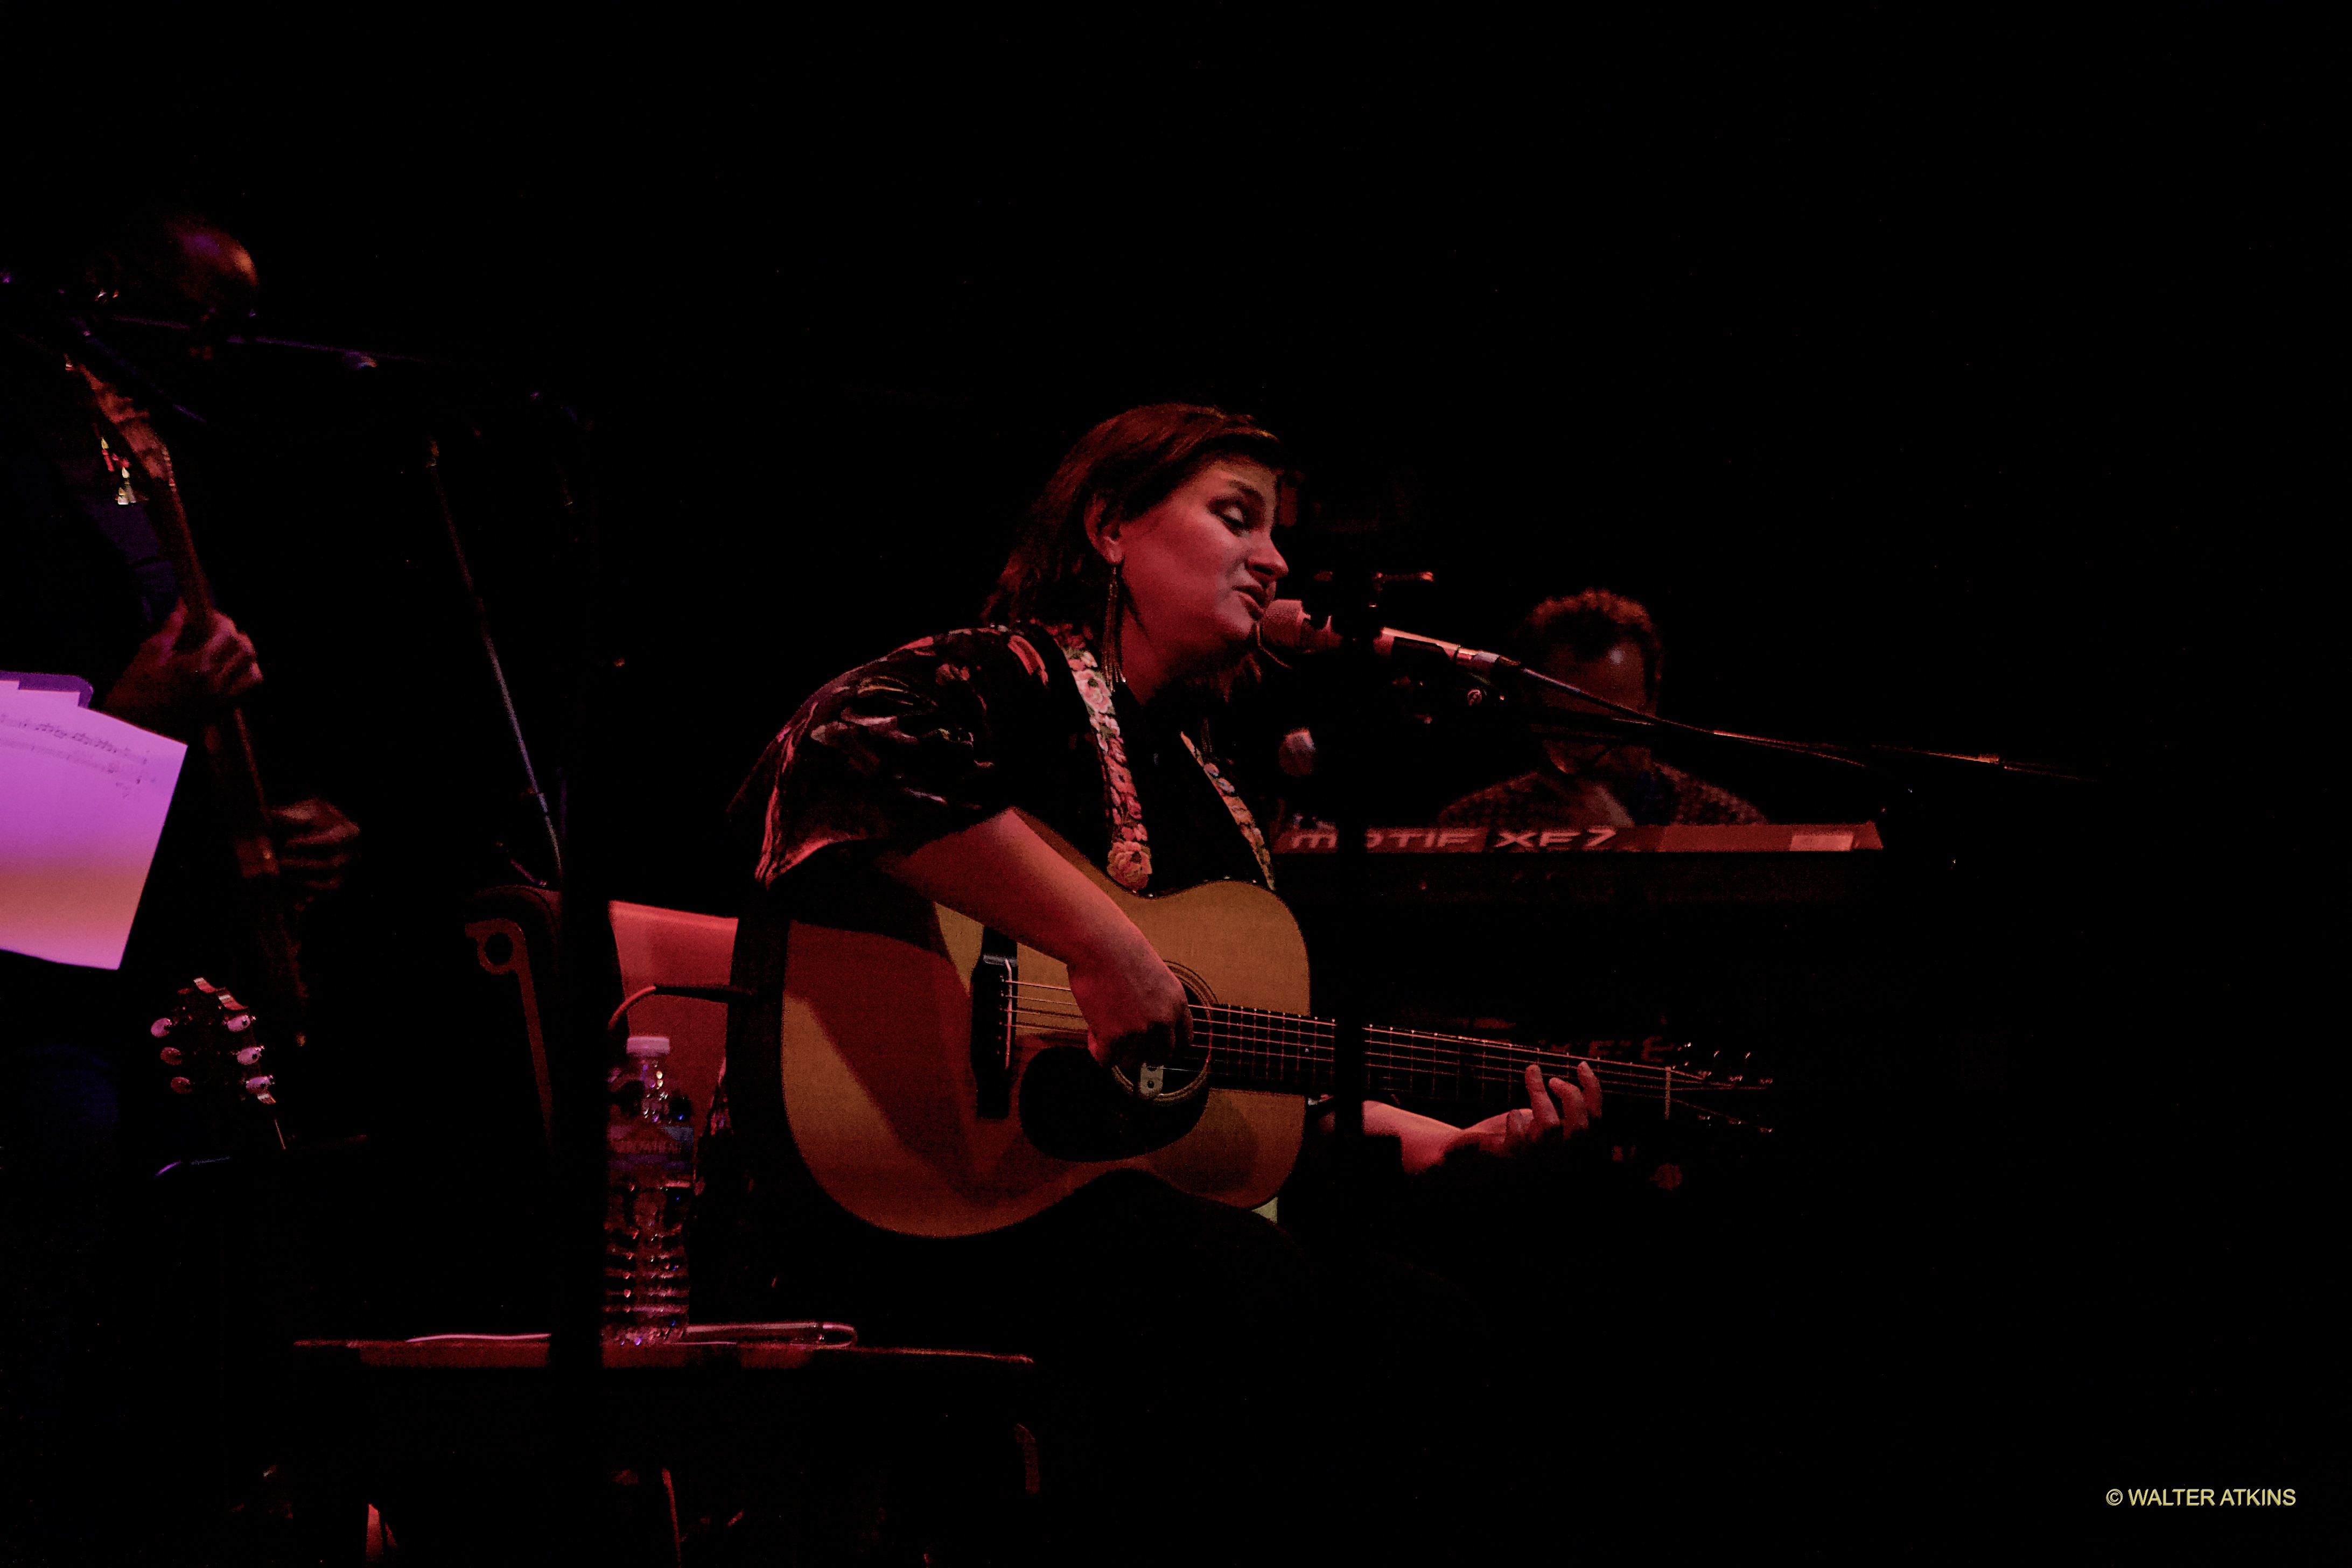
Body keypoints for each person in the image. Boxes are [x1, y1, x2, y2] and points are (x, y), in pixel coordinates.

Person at [729, 404, 1605, 1561]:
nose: (1279, 558)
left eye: (1277, 531)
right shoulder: (1016, 675)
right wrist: (1105, 944)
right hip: (939, 1193)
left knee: (1443, 1334)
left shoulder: (1209, 788)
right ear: (1108, 526)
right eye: (1236, 516)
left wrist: (1444, 1143)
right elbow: (843, 745)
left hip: (1111, 1208)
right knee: (1243, 1294)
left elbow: (1234, 1074)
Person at [1438, 587, 1766, 830]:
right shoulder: (1472, 824)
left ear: (1651, 705)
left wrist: (1624, 843)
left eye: (1615, 722)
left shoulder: (1726, 823)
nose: (1597, 748)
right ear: (1532, 706)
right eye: (1574, 723)